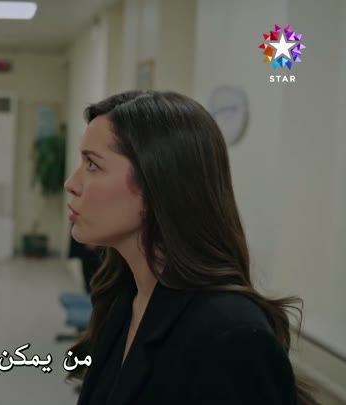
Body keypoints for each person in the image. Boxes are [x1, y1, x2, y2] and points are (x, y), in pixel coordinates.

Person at [64, 90, 318, 404]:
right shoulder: (124, 299)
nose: (72, 183)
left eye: (92, 165)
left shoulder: (230, 335)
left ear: (156, 183)